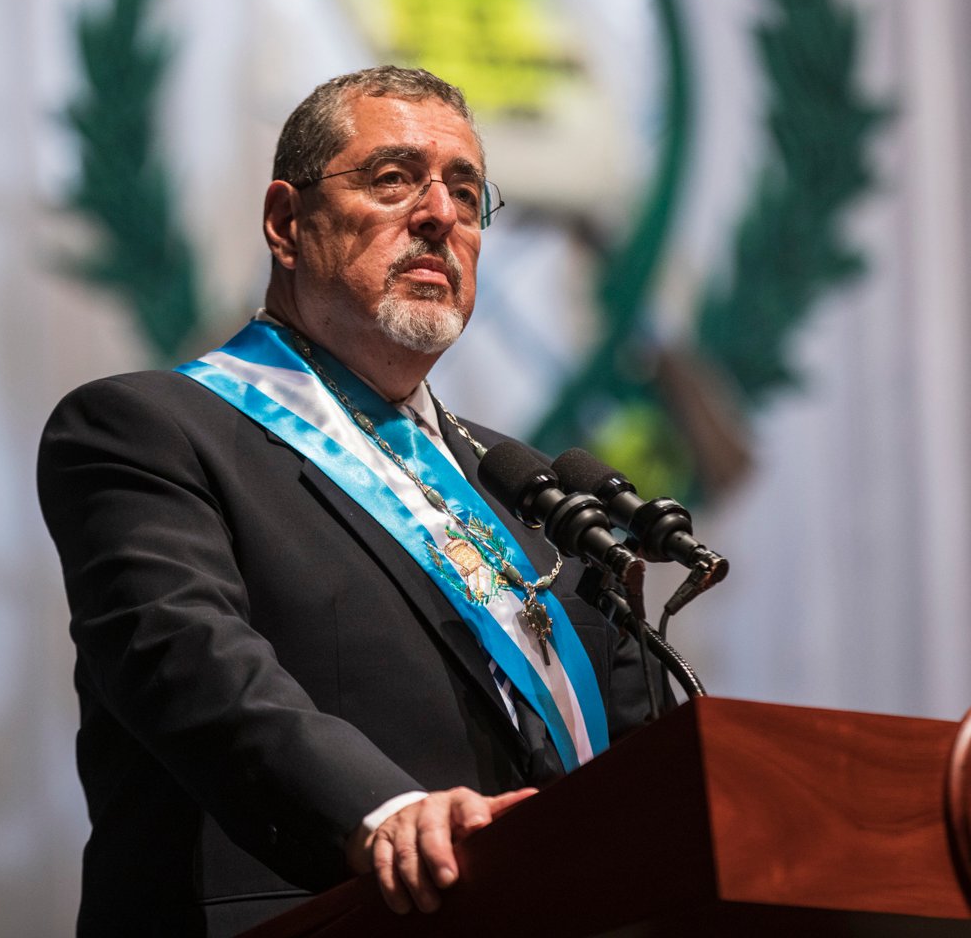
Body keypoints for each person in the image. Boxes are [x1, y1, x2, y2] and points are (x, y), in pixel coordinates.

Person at [38, 65, 662, 936]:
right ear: (286, 224)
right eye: (394, 179)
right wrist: (383, 813)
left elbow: (641, 766)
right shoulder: (149, 432)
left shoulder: (530, 492)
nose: (440, 215)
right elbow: (191, 665)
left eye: (466, 192)